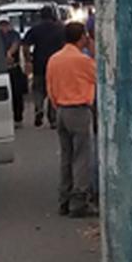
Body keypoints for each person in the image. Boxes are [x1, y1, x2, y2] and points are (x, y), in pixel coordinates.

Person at [47, 20, 99, 216]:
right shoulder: (83, 61)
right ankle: (79, 202)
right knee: (82, 158)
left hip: (61, 110)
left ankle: (64, 199)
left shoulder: (55, 59)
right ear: (82, 37)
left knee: (66, 157)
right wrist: (93, 50)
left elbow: (50, 88)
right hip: (79, 110)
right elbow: (100, 76)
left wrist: (56, 106)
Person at [22, 5, 68, 128]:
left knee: (38, 89)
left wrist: (28, 59)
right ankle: (52, 119)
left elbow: (25, 46)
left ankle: (38, 108)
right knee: (54, 90)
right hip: (57, 64)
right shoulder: (60, 29)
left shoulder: (35, 29)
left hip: (39, 63)